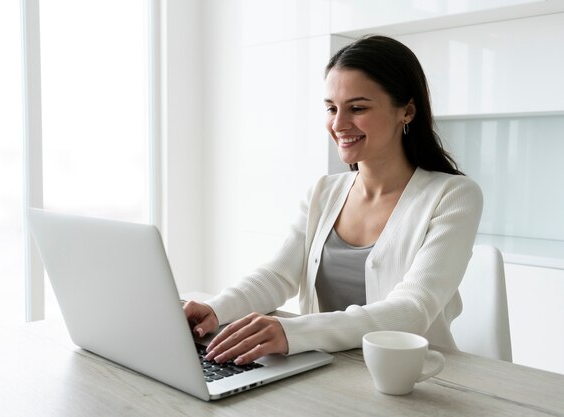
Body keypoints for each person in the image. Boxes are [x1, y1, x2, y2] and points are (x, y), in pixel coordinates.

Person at [184, 35, 483, 366]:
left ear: (407, 111)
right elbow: (278, 276)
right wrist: (215, 308)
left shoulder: (454, 196)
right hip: (325, 372)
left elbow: (412, 310)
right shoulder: (323, 193)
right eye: (331, 108)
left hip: (414, 379)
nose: (339, 124)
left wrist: (293, 332)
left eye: (357, 108)